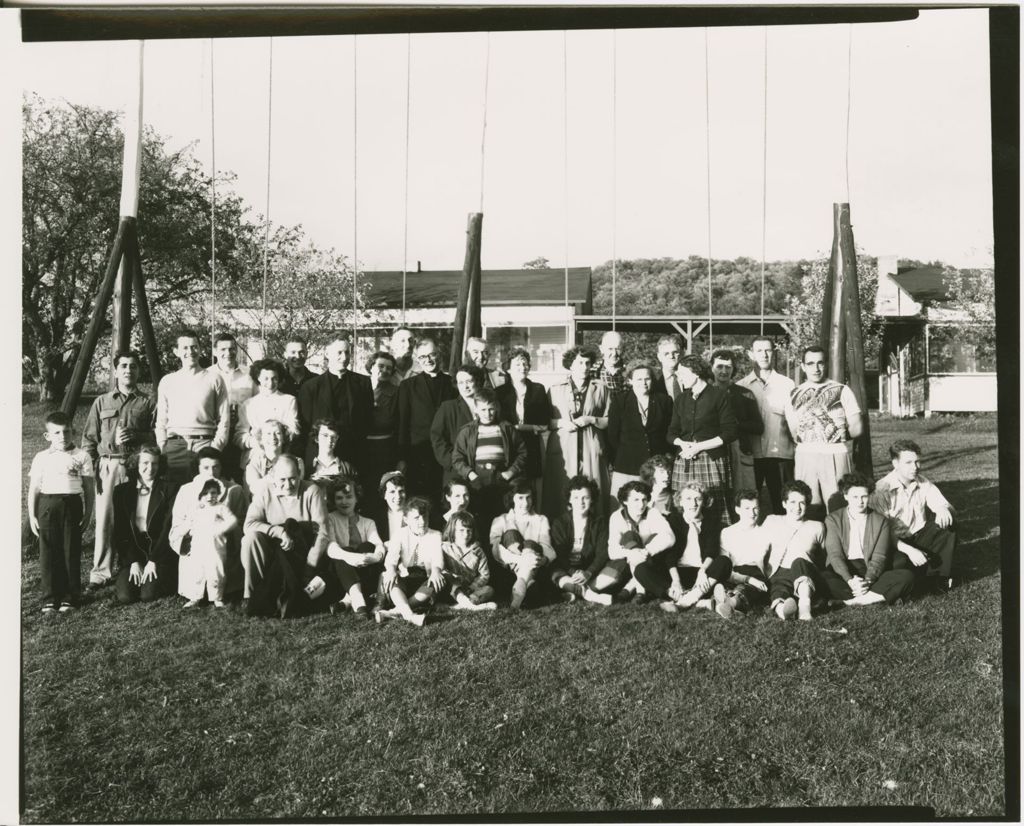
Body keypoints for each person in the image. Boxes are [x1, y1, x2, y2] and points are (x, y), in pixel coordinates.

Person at [81, 349, 156, 590]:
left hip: (136, 466)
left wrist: (137, 435)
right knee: (106, 519)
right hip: (109, 465)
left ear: (138, 370)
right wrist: (94, 468)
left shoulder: (147, 402)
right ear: (116, 370)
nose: (128, 370)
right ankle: (101, 572)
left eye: (133, 366)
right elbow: (89, 439)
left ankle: (135, 562)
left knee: (135, 516)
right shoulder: (101, 401)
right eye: (123, 366)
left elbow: (157, 436)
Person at [241, 455, 331, 618]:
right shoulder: (265, 491)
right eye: (282, 479)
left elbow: (323, 532)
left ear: (299, 475)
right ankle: (252, 594)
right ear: (273, 476)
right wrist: (279, 532)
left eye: (293, 479)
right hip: (274, 550)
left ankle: (280, 597)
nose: (288, 485)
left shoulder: (312, 491)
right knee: (250, 539)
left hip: (302, 552)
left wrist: (310, 566)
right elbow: (249, 524)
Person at [27, 411, 95, 613]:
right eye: (56, 433)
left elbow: (89, 489)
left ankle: (70, 596)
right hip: (47, 505)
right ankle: (50, 597)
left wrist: (88, 513)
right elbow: (34, 489)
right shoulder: (41, 458)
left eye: (66, 432)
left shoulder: (82, 456)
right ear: (48, 436)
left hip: (71, 505)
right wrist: (32, 515)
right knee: (48, 551)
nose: (62, 437)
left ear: (73, 432)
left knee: (70, 549)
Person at [784, 345, 863, 518]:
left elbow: (856, 428)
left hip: (835, 453)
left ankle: (838, 543)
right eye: (810, 363)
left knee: (838, 504)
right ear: (803, 366)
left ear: (826, 364)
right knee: (806, 503)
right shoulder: (794, 394)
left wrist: (834, 434)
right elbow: (793, 430)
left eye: (820, 363)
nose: (816, 368)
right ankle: (814, 542)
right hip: (805, 455)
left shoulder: (842, 390)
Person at [870, 440, 958, 593]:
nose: (915, 467)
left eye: (918, 462)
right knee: (901, 567)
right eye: (908, 462)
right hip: (893, 543)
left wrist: (943, 508)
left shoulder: (922, 482)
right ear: (895, 463)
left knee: (948, 524)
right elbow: (879, 534)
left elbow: (949, 507)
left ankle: (938, 578)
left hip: (918, 536)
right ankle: (917, 578)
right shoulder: (881, 490)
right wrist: (909, 550)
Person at [666, 354, 738, 527]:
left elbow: (730, 432)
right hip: (685, 460)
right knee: (683, 507)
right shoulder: (681, 399)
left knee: (714, 507)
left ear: (696, 373)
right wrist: (682, 444)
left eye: (682, 373)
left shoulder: (719, 396)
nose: (679, 377)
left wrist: (699, 447)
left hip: (711, 460)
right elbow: (671, 432)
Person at [822, 473, 914, 606]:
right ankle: (878, 595)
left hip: (869, 567)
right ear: (845, 496)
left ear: (869, 496)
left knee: (906, 576)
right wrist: (850, 580)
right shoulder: (833, 519)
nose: (860, 501)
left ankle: (851, 601)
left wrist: (868, 580)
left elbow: (879, 557)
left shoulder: (881, 520)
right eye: (855, 497)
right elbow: (835, 555)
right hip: (843, 569)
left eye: (864, 496)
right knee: (823, 578)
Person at [170, 446, 248, 601]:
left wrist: (224, 529)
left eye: (215, 467)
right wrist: (190, 529)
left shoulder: (235, 490)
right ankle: (195, 594)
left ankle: (220, 593)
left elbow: (242, 522)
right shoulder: (186, 490)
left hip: (223, 548)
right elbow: (176, 525)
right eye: (205, 467)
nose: (211, 473)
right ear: (198, 468)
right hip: (195, 546)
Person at [155, 330, 230, 485]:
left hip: (205, 445)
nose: (190, 352)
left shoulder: (214, 379)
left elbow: (224, 419)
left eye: (194, 347)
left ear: (200, 349)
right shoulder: (167, 381)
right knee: (173, 498)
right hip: (175, 447)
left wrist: (215, 447)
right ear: (176, 352)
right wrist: (163, 447)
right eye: (185, 348)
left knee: (206, 496)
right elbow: (161, 419)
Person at [543, 345, 610, 518]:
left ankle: (594, 533)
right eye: (580, 363)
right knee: (561, 492)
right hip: (564, 448)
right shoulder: (555, 388)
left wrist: (590, 419)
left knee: (593, 491)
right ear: (571, 365)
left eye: (587, 363)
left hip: (591, 446)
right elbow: (545, 422)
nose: (584, 367)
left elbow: (609, 421)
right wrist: (561, 422)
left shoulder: (601, 388)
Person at [296, 337, 374, 478]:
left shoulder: (363, 383)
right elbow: (306, 427)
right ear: (327, 353)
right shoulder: (311, 387)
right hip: (321, 457)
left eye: (347, 353)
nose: (344, 357)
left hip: (354, 454)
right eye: (339, 352)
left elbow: (368, 421)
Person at [736, 336, 796, 514]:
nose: (764, 355)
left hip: (780, 456)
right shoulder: (741, 386)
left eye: (768, 350)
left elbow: (794, 422)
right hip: (752, 456)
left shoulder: (787, 384)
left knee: (783, 505)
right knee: (750, 506)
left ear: (774, 353)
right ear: (751, 354)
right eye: (759, 351)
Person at [111, 445, 178, 605]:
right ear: (136, 464)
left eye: (154, 463)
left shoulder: (170, 489)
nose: (150, 468)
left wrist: (154, 561)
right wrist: (134, 562)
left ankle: (169, 577)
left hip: (160, 551)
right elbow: (122, 531)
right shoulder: (121, 491)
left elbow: (168, 529)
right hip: (135, 550)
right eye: (145, 463)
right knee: (126, 596)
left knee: (148, 594)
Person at [451, 389, 528, 528]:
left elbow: (522, 452)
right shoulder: (467, 431)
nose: (487, 414)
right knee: (480, 518)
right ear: (476, 410)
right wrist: (471, 474)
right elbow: (457, 458)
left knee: (501, 518)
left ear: (496, 408)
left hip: (501, 479)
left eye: (491, 409)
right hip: (477, 480)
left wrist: (509, 473)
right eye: (483, 410)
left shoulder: (506, 428)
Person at [398, 338, 457, 499]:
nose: (428, 360)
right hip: (418, 455)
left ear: (439, 355)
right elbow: (402, 424)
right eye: (423, 357)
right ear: (417, 359)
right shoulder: (408, 386)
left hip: (447, 454)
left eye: (432, 355)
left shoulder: (452, 384)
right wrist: (402, 457)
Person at [607, 360, 673, 497]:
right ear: (630, 380)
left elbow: (669, 432)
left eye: (647, 379)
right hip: (626, 466)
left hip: (656, 469)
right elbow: (613, 436)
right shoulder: (620, 401)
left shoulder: (664, 401)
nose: (643, 383)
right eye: (639, 379)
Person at [376, 497, 444, 627]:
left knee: (435, 581)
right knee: (389, 578)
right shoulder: (400, 534)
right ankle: (410, 616)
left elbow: (437, 558)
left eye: (425, 517)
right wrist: (391, 570)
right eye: (416, 518)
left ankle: (394, 612)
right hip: (405, 577)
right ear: (406, 520)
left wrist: (436, 571)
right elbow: (391, 558)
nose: (422, 521)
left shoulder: (435, 535)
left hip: (424, 578)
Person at [549, 475, 617, 605]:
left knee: (617, 566)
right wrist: (573, 572)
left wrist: (588, 572)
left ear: (592, 499)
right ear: (569, 499)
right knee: (554, 570)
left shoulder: (600, 523)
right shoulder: (560, 523)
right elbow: (560, 554)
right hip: (565, 568)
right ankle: (589, 594)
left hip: (589, 569)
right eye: (576, 498)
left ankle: (572, 591)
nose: (581, 502)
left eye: (585, 497)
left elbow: (602, 553)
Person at [762, 480, 825, 621]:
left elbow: (823, 557)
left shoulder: (817, 527)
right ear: (784, 503)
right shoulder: (772, 521)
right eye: (792, 502)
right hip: (779, 572)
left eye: (802, 503)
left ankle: (804, 609)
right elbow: (760, 549)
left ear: (807, 505)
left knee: (799, 562)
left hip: (805, 571)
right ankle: (783, 611)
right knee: (778, 590)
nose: (797, 507)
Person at [324, 477, 386, 617]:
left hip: (365, 568)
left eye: (349, 497)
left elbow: (378, 544)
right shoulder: (330, 519)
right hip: (340, 572)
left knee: (367, 546)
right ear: (334, 500)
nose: (344, 502)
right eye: (339, 498)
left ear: (357, 498)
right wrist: (350, 557)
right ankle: (358, 600)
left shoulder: (368, 522)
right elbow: (331, 547)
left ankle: (347, 601)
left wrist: (375, 557)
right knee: (344, 550)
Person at [489, 479, 556, 609]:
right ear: (512, 498)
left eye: (528, 498)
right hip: (507, 571)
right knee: (510, 534)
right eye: (520, 498)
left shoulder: (541, 519)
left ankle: (521, 587)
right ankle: (526, 584)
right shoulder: (500, 520)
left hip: (536, 567)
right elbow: (495, 549)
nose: (525, 503)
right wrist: (521, 559)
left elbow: (546, 547)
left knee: (530, 544)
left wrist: (542, 560)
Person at [496, 347, 552, 501]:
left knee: (531, 488)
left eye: (525, 364)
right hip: (508, 445)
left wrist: (519, 427)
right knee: (510, 488)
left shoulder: (538, 389)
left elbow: (544, 424)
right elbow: (498, 422)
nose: (523, 367)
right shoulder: (500, 392)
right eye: (518, 364)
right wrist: (527, 428)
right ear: (508, 369)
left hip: (531, 445)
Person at [606, 480, 675, 603]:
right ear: (625, 501)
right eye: (636, 500)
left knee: (635, 539)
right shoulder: (616, 517)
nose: (641, 505)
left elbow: (670, 537)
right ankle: (639, 590)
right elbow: (612, 551)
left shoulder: (652, 513)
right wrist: (632, 553)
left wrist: (646, 551)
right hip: (626, 563)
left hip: (650, 561)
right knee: (630, 536)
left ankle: (633, 590)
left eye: (644, 499)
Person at [178, 477, 239, 608]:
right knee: (197, 571)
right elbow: (188, 522)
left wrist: (219, 529)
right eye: (206, 493)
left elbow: (232, 520)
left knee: (216, 571)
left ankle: (217, 597)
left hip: (216, 547)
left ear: (218, 494)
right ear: (200, 495)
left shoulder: (220, 508)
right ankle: (195, 597)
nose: (210, 496)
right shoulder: (197, 509)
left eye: (213, 493)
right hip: (199, 546)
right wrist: (183, 532)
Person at [710, 348, 762, 499]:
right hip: (714, 451)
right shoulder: (705, 393)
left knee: (743, 497)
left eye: (728, 367)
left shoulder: (745, 393)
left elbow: (759, 427)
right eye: (719, 366)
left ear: (733, 369)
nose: (724, 371)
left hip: (740, 451)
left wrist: (735, 425)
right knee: (717, 496)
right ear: (712, 368)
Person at [235, 359, 300, 473]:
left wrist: (276, 440)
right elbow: (240, 436)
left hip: (282, 458)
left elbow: (293, 430)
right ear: (258, 378)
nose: (270, 383)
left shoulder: (289, 400)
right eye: (265, 378)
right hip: (255, 458)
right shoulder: (248, 404)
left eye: (274, 378)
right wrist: (258, 442)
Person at [209, 332, 257, 481]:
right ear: (215, 351)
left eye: (231, 349)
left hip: (241, 432)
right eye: (223, 349)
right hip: (216, 432)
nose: (228, 353)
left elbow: (258, 401)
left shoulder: (249, 375)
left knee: (239, 475)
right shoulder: (207, 374)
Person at [431, 364, 485, 485]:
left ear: (478, 381)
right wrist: (454, 463)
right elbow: (437, 438)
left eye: (469, 381)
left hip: (484, 470)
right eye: (460, 383)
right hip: (458, 472)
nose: (465, 386)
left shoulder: (488, 406)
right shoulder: (448, 407)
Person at [719, 490, 771, 613]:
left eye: (755, 508)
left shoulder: (766, 533)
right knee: (733, 585)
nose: (752, 513)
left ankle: (730, 602)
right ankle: (733, 601)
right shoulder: (727, 532)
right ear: (737, 509)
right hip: (733, 574)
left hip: (756, 575)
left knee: (751, 588)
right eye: (747, 508)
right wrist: (744, 578)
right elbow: (724, 564)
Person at [365, 350, 402, 507]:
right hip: (363, 448)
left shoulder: (395, 393)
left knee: (382, 490)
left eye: (389, 368)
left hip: (384, 448)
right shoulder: (360, 386)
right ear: (371, 366)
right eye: (381, 366)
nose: (385, 371)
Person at [439, 511, 497, 610]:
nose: (466, 534)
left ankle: (460, 606)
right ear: (452, 530)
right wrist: (452, 578)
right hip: (451, 588)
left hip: (470, 589)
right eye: (461, 530)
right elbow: (442, 569)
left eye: (469, 530)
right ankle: (472, 607)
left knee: (489, 590)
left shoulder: (478, 551)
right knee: (451, 581)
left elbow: (484, 574)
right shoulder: (445, 548)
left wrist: (473, 586)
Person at [244, 420, 304, 497]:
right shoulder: (253, 464)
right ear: (261, 439)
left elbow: (294, 489)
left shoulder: (297, 462)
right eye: (268, 434)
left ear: (284, 438)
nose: (273, 437)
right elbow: (255, 489)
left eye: (278, 433)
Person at [306, 418, 358, 487]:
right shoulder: (308, 470)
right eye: (325, 435)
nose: (329, 440)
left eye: (333, 437)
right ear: (316, 438)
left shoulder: (348, 468)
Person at [373, 471, 408, 544]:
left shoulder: (413, 514)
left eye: (401, 491)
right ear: (384, 495)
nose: (398, 496)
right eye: (392, 492)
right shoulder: (377, 519)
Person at [651, 334, 684, 402]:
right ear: (659, 357)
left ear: (681, 354)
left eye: (675, 352)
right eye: (666, 353)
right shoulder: (653, 381)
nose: (671, 356)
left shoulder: (691, 377)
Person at [594, 330, 627, 397]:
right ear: (601, 349)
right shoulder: (592, 373)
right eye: (610, 349)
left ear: (623, 349)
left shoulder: (630, 373)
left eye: (618, 349)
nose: (614, 353)